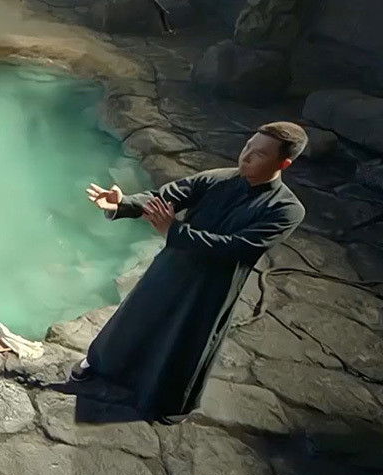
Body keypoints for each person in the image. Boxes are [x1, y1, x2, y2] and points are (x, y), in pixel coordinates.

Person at [69, 121, 308, 423]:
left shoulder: (286, 209)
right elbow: (165, 197)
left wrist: (175, 231)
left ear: (283, 164)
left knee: (185, 338)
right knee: (137, 314)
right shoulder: (218, 178)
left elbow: (238, 247)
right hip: (174, 264)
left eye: (259, 154)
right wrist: (124, 203)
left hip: (213, 284)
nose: (246, 156)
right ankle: (101, 365)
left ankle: (165, 400)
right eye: (248, 146)